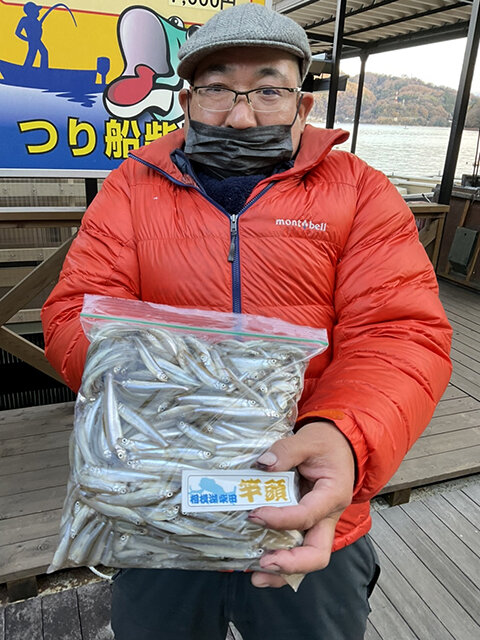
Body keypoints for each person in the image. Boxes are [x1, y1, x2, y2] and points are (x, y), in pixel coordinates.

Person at [41, 3, 452, 639]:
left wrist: (345, 437)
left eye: (268, 89)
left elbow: (400, 333)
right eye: (215, 89)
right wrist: (171, 389)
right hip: (158, 502)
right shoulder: (129, 187)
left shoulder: (361, 191)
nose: (240, 115)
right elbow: (76, 313)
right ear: (186, 101)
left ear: (303, 105)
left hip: (309, 503)